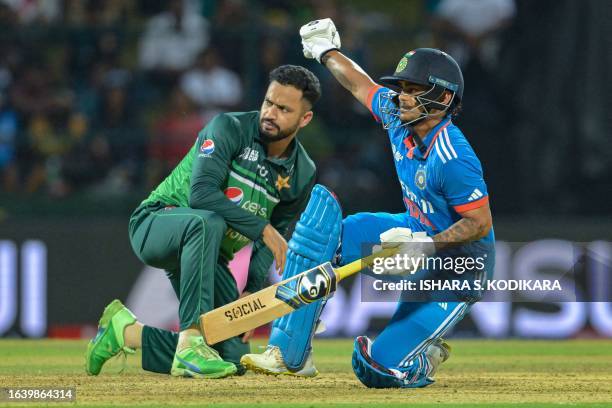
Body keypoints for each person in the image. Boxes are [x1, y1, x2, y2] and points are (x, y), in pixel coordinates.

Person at [241, 19, 495, 388]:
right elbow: (361, 83)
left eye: (413, 89)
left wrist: (428, 245)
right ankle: (289, 353)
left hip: (458, 266)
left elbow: (479, 222)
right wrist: (327, 52)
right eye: (402, 88)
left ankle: (423, 357)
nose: (402, 96)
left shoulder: (454, 156)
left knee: (378, 370)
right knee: (323, 234)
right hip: (416, 230)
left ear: (441, 98)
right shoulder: (397, 115)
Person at [85, 65, 320, 379]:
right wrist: (262, 229)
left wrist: (251, 291)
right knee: (206, 221)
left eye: (284, 109)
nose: (271, 113)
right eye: (269, 102)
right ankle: (190, 341)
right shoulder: (228, 127)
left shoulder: (302, 172)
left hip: (207, 257)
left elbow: (274, 237)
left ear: (304, 119)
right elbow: (201, 195)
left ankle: (124, 332)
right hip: (157, 222)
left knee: (235, 359)